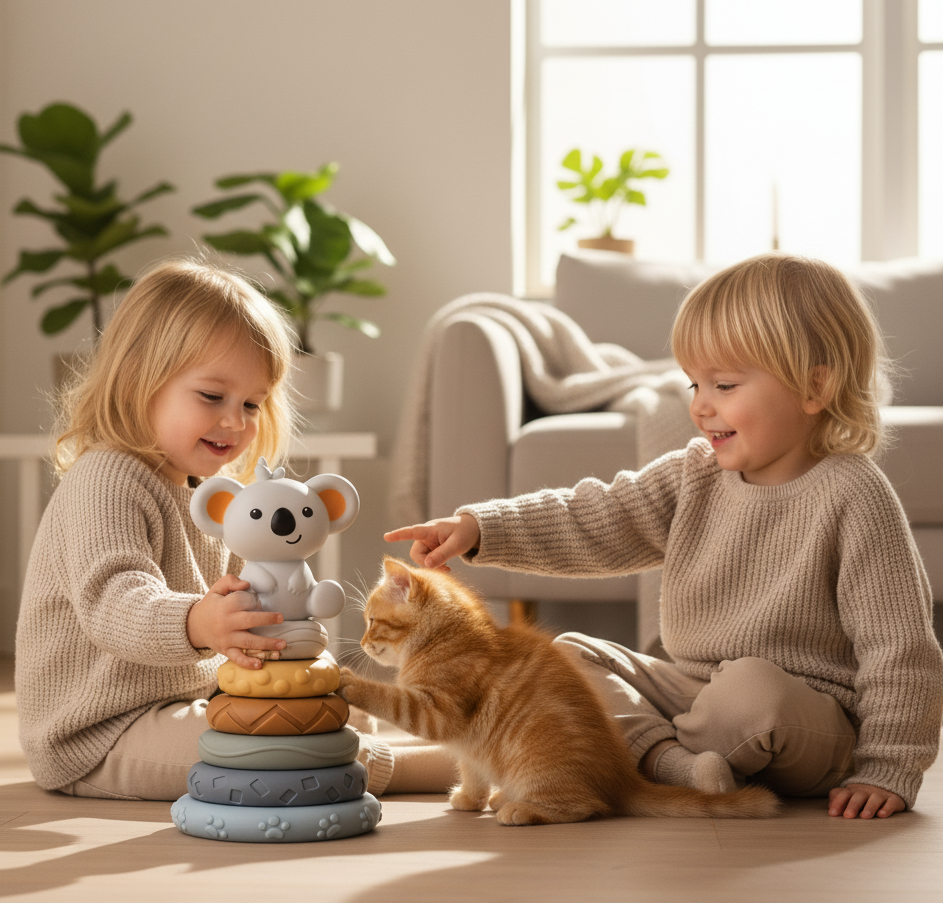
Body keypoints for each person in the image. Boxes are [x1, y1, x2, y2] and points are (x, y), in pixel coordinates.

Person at [384, 252, 943, 820]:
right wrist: (483, 527)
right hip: (692, 689)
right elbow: (596, 516)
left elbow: (901, 649)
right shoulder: (695, 472)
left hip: (806, 717)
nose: (700, 406)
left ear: (814, 387)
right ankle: (679, 767)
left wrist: (888, 766)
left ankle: (661, 759)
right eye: (694, 383)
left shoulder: (854, 495)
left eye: (723, 384)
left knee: (752, 691)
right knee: (566, 658)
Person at [14, 257, 304, 800]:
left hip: (181, 703)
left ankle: (438, 749)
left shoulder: (213, 498)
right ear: (138, 380)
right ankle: (427, 768)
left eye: (252, 404)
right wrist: (199, 621)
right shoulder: (107, 478)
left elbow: (243, 609)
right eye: (212, 396)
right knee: (289, 746)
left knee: (319, 707)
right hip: (98, 733)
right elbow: (115, 603)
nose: (235, 422)